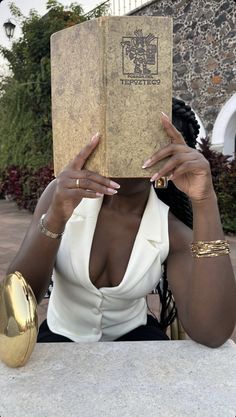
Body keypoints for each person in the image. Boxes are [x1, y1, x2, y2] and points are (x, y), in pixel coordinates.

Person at [7, 98, 236, 346]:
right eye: (123, 138)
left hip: (136, 340)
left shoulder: (170, 230)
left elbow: (212, 332)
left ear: (170, 161)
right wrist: (55, 219)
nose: (131, 158)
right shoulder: (63, 196)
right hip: (59, 335)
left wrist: (205, 200)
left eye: (151, 150)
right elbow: (16, 303)